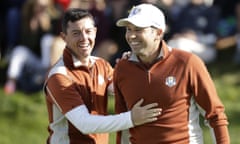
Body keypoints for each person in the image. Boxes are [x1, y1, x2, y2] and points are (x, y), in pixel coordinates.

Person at [114, 3, 230, 144]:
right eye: (128, 29)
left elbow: (215, 114)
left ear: (158, 32)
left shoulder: (187, 62)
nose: (131, 36)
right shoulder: (122, 68)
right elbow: (123, 124)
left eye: (138, 30)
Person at [43, 8, 162, 144]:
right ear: (64, 37)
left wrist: (129, 69)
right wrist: (132, 118)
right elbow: (84, 124)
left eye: (88, 32)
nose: (84, 38)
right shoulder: (59, 76)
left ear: (95, 32)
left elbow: (120, 90)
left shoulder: (101, 64)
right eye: (76, 33)